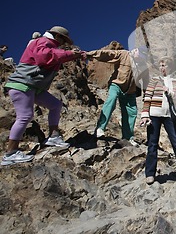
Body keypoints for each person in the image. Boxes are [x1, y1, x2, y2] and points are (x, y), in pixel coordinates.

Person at [1, 26, 85, 166]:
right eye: (63, 40)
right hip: (23, 84)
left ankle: (53, 137)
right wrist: (69, 53)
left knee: (55, 105)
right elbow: (44, 58)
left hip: (34, 87)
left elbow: (53, 58)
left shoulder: (47, 44)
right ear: (57, 36)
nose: (62, 44)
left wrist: (73, 55)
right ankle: (11, 153)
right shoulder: (43, 42)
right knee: (25, 116)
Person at [140, 57, 176, 184]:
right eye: (161, 65)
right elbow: (147, 97)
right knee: (152, 143)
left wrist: (171, 93)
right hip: (154, 114)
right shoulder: (154, 80)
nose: (162, 68)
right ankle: (150, 173)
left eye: (164, 65)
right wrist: (144, 114)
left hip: (170, 115)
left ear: (169, 67)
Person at [86, 47, 149, 145]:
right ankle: (100, 128)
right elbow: (107, 54)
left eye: (143, 57)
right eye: (140, 54)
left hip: (130, 91)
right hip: (116, 84)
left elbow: (146, 83)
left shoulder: (144, 67)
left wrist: (146, 96)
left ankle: (128, 138)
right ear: (136, 50)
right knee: (111, 100)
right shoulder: (123, 54)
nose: (141, 58)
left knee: (132, 112)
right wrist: (90, 54)